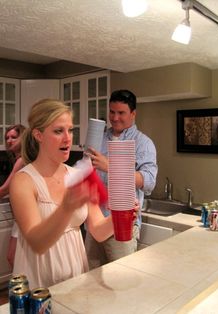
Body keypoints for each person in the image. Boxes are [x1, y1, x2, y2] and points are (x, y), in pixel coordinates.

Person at [9, 98, 137, 289]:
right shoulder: (23, 181)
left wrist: (121, 214)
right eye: (58, 131)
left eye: (70, 130)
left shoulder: (78, 175)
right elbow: (37, 243)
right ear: (38, 135)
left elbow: (98, 231)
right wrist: (67, 207)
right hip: (38, 282)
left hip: (75, 278)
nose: (68, 138)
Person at [84, 89, 157, 269]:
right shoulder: (98, 138)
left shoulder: (143, 143)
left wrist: (111, 167)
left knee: (120, 279)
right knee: (90, 280)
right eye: (112, 112)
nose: (115, 118)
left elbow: (148, 181)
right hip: (94, 221)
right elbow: (85, 171)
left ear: (133, 114)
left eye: (121, 113)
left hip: (122, 225)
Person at [2, 124, 26, 268]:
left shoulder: (22, 160)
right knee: (16, 258)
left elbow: (5, 189)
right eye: (7, 138)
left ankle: (23, 290)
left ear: (22, 138)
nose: (9, 140)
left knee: (13, 258)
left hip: (23, 217)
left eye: (13, 137)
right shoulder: (19, 159)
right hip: (20, 217)